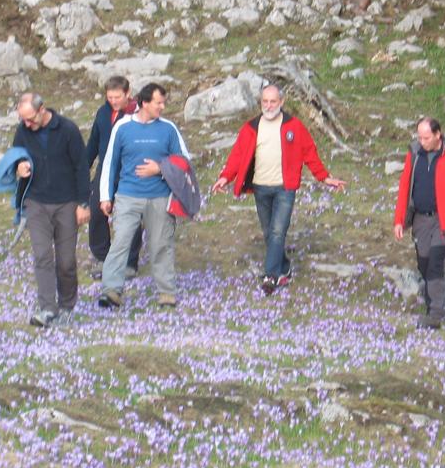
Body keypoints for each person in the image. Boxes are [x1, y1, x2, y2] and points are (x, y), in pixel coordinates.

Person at [211, 84, 347, 295]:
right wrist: (225, 177)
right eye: (265, 101)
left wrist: (324, 177)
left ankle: (271, 276)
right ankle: (284, 268)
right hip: (260, 188)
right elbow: (237, 155)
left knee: (277, 231)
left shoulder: (294, 126)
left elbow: (309, 152)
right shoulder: (251, 127)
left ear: (281, 102)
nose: (268, 105)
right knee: (269, 233)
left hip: (285, 189)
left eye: (273, 101)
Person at [98, 83, 190, 309]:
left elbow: (184, 162)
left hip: (160, 198)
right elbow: (110, 163)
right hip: (128, 196)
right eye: (159, 102)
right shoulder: (122, 127)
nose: (162, 107)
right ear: (144, 103)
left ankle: (167, 293)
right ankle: (111, 291)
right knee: (120, 242)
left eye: (163, 102)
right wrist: (105, 196)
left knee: (161, 244)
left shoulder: (168, 128)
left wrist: (160, 168)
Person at [12, 93, 91, 328]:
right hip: (36, 202)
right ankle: (47, 308)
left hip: (66, 203)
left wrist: (83, 204)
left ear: (42, 109)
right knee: (42, 256)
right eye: (23, 119)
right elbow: (15, 158)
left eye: (30, 119)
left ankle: (67, 306)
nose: (27, 124)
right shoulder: (22, 132)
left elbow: (81, 167)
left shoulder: (68, 129)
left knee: (66, 261)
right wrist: (19, 167)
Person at [393, 116, 445, 330]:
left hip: (443, 220)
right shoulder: (414, 154)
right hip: (420, 219)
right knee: (424, 265)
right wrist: (399, 220)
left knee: (435, 265)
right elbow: (404, 187)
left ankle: (435, 314)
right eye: (419, 137)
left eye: (426, 138)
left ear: (438, 134)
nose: (422, 142)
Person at [86, 76, 141, 279]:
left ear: (128, 93)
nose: (113, 101)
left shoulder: (138, 114)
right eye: (110, 97)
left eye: (117, 97)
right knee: (96, 211)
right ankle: (102, 257)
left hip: (130, 172)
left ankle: (129, 262)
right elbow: (94, 141)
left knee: (130, 215)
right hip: (105, 170)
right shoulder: (103, 112)